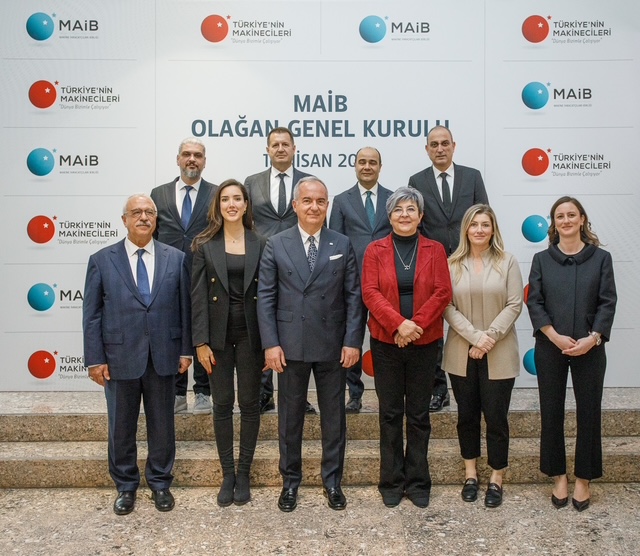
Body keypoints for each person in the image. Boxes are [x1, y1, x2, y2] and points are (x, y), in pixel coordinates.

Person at [257, 177, 363, 512]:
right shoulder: (276, 243)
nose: (314, 207)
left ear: (327, 205)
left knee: (334, 419)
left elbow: (353, 297)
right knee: (290, 420)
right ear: (295, 206)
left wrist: (352, 341)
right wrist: (271, 344)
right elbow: (266, 298)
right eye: (307, 201)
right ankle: (290, 482)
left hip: (333, 345)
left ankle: (332, 482)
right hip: (290, 347)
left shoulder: (341, 243)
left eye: (320, 201)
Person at [82, 194, 192, 515]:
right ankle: (126, 486)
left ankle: (160, 483)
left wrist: (186, 350)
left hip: (164, 355)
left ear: (156, 219)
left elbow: (185, 309)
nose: (143, 217)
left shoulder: (176, 258)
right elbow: (92, 315)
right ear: (125, 220)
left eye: (149, 212)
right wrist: (95, 359)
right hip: (118, 358)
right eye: (136, 212)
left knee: (163, 425)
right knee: (120, 426)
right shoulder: (102, 260)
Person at [361, 187, 452, 508]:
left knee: (418, 415)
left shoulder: (435, 250)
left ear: (420, 216)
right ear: (389, 216)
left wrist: (414, 327)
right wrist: (399, 324)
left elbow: (442, 292)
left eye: (411, 209)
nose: (404, 214)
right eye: (398, 209)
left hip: (424, 344)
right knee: (389, 414)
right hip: (386, 343)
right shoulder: (375, 250)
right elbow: (370, 292)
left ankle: (417, 482)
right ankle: (391, 481)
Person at [527, 196, 617, 512]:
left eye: (571, 215)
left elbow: (608, 302)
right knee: (551, 411)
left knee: (589, 412)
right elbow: (534, 302)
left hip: (590, 348)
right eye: (560, 216)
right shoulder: (541, 259)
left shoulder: (601, 258)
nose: (566, 220)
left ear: (582, 220)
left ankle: (584, 479)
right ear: (554, 223)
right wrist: (553, 336)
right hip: (550, 347)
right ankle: (558, 476)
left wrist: (593, 338)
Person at [191, 180, 266, 507]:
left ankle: (244, 473)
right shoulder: (203, 245)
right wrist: (200, 342)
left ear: (246, 204)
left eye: (237, 198)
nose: (231, 204)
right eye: (225, 199)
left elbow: (268, 295)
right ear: (218, 206)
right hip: (216, 339)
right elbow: (197, 298)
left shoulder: (262, 242)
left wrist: (271, 341)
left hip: (252, 335)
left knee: (249, 403)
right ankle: (227, 475)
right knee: (222, 404)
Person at [442, 204, 523, 508]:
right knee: (467, 416)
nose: (479, 229)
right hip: (461, 352)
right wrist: (476, 338)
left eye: (485, 224)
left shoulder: (507, 261)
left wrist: (488, 338)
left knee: (496, 418)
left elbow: (514, 304)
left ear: (493, 229)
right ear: (466, 229)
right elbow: (446, 306)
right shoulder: (451, 264)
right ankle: (471, 475)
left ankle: (497, 478)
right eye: (473, 224)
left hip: (499, 351)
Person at [408, 125, 489, 413]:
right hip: (434, 265)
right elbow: (415, 224)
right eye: (434, 144)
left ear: (454, 146)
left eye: (445, 143)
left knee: (472, 320)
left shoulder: (472, 176)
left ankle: (477, 383)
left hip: (470, 262)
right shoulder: (416, 181)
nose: (440, 149)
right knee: (434, 329)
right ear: (427, 150)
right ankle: (439, 389)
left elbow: (484, 217)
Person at [244, 127, 314, 415]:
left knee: (297, 324)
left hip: (299, 264)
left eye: (286, 144)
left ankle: (299, 396)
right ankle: (263, 393)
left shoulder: (308, 182)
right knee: (264, 322)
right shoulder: (252, 182)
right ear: (268, 150)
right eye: (275, 145)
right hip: (261, 260)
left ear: (294, 149)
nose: (281, 149)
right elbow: (246, 222)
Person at [151, 137, 217, 415]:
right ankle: (177, 392)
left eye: (198, 155)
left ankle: (203, 391)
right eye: (187, 154)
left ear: (204, 161)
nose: (192, 159)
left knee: (203, 332)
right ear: (178, 159)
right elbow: (152, 234)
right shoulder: (159, 194)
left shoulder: (216, 194)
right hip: (167, 276)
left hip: (205, 274)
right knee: (174, 333)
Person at [329, 147, 393, 413]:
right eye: (362, 162)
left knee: (385, 338)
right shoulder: (341, 200)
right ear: (355, 165)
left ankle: (388, 393)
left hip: (386, 282)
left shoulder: (393, 199)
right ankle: (354, 394)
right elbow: (334, 243)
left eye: (372, 162)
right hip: (352, 281)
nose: (367, 167)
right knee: (351, 335)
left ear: (380, 167)